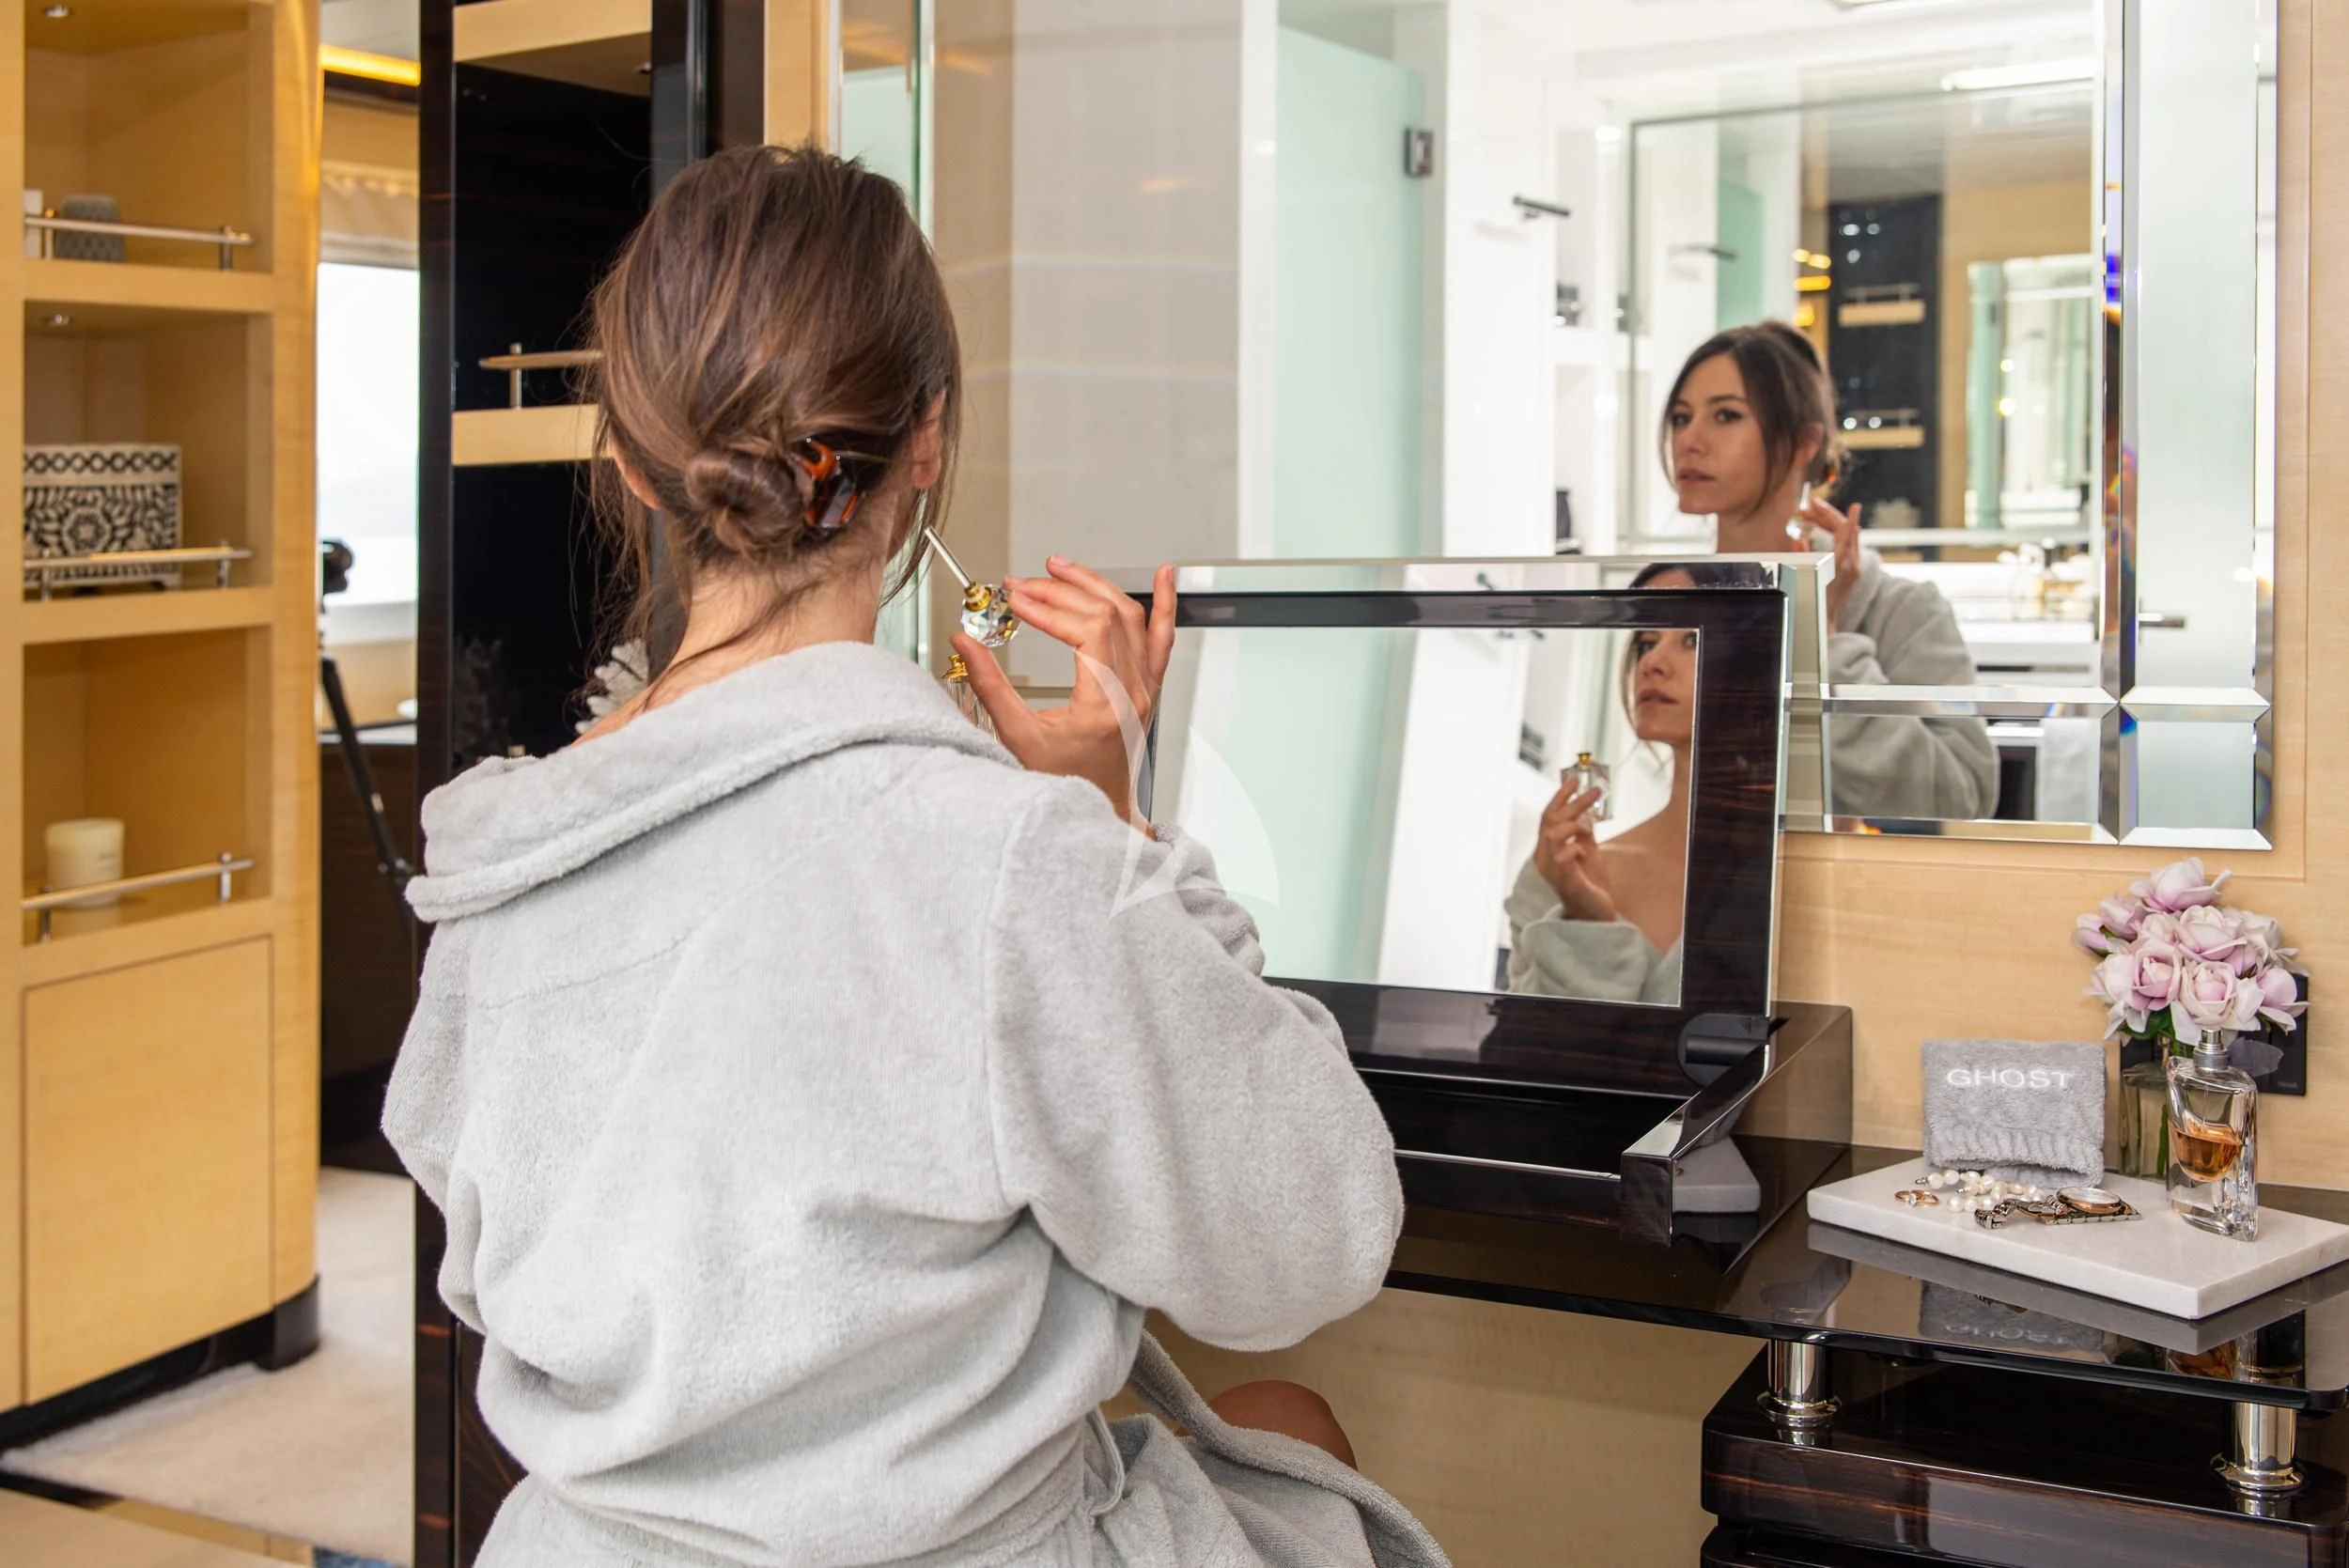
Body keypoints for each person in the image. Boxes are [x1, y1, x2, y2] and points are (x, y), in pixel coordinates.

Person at [383, 146, 1444, 1568]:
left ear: (630, 462)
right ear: (928, 440)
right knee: (1297, 1435)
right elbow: (1311, 1235)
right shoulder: (1004, 866)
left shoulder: (496, 873)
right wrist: (1119, 826)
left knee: (1278, 1422)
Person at [1663, 320, 1999, 821]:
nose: (1689, 440)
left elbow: (1958, 803)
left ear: (1802, 444)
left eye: (1726, 415)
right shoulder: (1671, 607)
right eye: (1680, 418)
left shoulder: (1904, 613)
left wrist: (1826, 641)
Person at [1504, 568, 1703, 1005]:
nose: (1652, 662)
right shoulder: (1559, 872)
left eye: (1691, 639)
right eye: (1647, 642)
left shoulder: (1807, 874)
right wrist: (1583, 921)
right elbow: (1530, 1056)